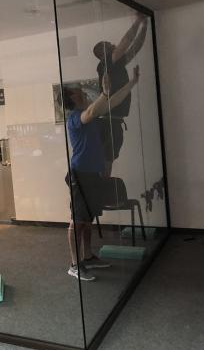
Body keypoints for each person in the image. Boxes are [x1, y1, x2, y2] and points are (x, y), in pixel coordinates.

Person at [63, 65, 140, 281]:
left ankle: (87, 257)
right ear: (72, 98)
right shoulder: (74, 118)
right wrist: (104, 93)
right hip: (80, 175)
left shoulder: (92, 115)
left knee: (88, 219)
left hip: (93, 175)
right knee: (78, 220)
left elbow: (112, 101)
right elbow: (90, 112)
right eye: (78, 92)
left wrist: (132, 83)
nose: (82, 92)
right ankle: (74, 265)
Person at [93, 14, 148, 177]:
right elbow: (126, 42)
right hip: (109, 122)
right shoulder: (105, 63)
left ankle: (103, 186)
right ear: (103, 54)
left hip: (113, 121)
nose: (112, 44)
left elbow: (135, 47)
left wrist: (144, 27)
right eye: (108, 45)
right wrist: (138, 21)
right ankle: (103, 187)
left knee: (108, 159)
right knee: (107, 160)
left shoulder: (115, 63)